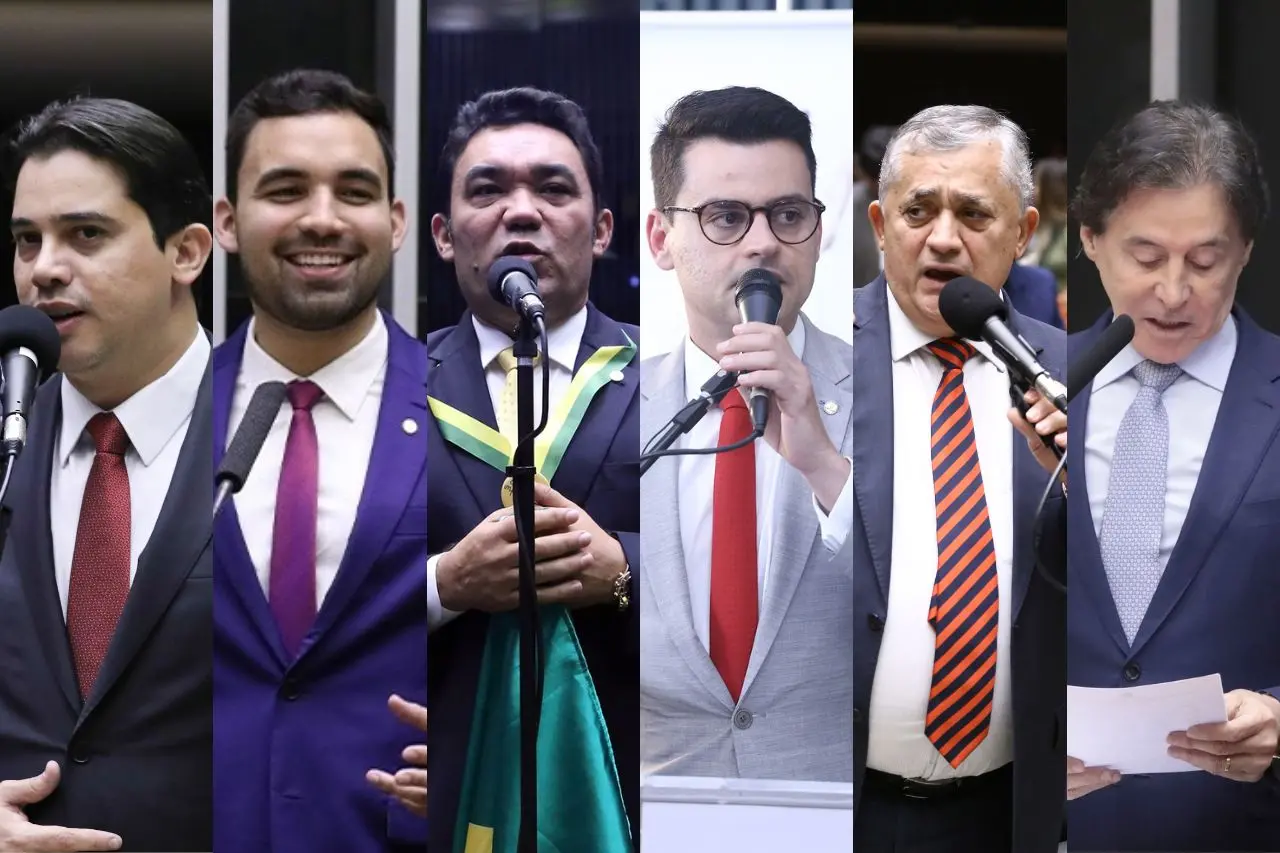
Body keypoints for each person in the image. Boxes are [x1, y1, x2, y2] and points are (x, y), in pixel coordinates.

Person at [211, 69, 428, 853]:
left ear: (396, 220)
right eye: (287, 189)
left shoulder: (468, 406)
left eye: (355, 191)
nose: (323, 219)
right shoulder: (160, 411)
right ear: (228, 221)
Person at [425, 87, 639, 850]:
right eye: (489, 190)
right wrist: (444, 585)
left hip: (631, 782)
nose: (521, 211)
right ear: (445, 235)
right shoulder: (390, 393)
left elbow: (743, 573)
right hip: (438, 786)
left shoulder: (679, 381)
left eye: (553, 188)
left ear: (603, 229)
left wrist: (622, 568)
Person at [1066, 100, 1280, 852]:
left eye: (1205, 259)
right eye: (1147, 256)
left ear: (1246, 250)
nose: (1174, 291)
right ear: (1090, 241)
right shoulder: (1026, 388)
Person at [0, 98, 213, 851]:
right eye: (27, 240)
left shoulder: (283, 427)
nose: (44, 268)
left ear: (187, 252)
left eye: (85, 234)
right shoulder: (6, 435)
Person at [854, 105, 1068, 853]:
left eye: (974, 213)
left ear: (1024, 231)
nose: (943, 238)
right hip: (843, 810)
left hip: (1010, 815)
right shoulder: (808, 364)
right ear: (881, 224)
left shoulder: (1076, 382)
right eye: (918, 210)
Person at [641, 86, 855, 781]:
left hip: (830, 804)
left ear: (820, 231)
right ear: (660, 239)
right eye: (726, 217)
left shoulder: (885, 386)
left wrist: (824, 465)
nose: (764, 241)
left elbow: (939, 605)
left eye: (789, 214)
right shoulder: (609, 405)